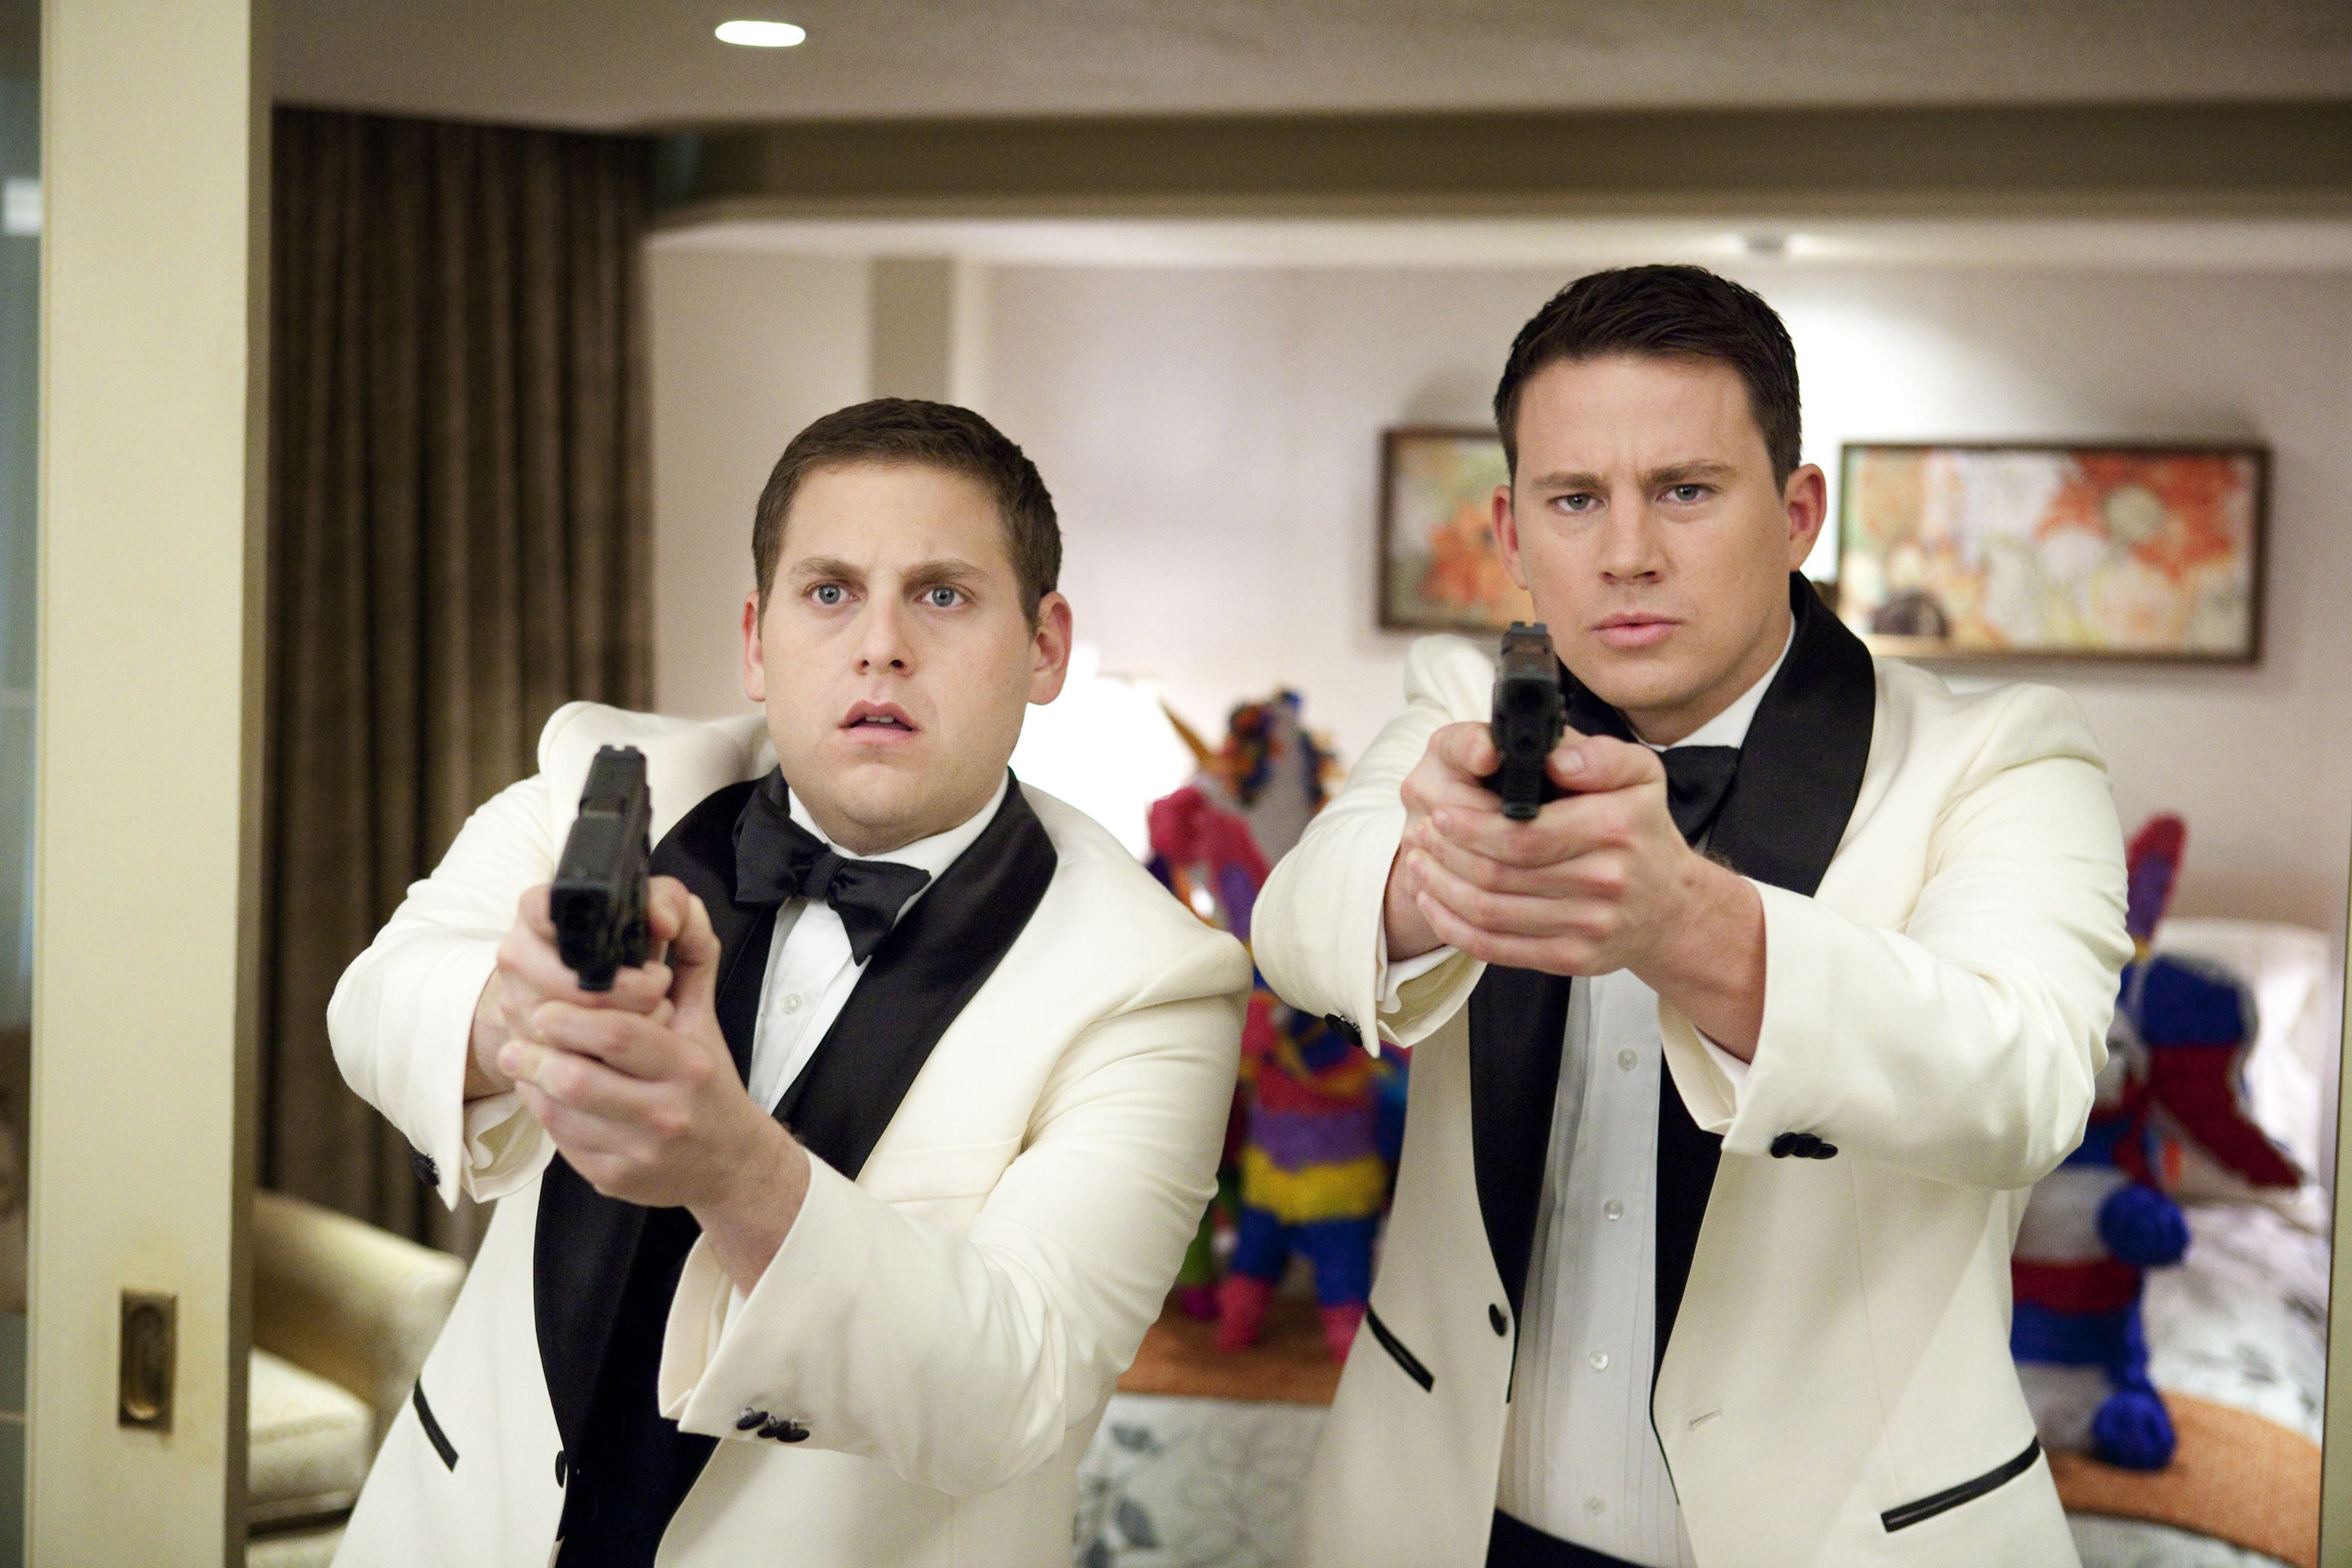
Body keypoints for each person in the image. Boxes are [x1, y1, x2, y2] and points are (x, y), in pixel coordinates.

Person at [1253, 266, 2129, 1568]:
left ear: (1798, 512)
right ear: (1511, 531)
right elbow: (1295, 919)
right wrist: (1431, 876)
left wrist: (1692, 928)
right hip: (1438, 1517)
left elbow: (2028, 1086)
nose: (1624, 553)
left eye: (1685, 490)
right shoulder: (1461, 694)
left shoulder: (2002, 755)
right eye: (1574, 499)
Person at [328, 399, 1250, 1566]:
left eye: (942, 594)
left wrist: (733, 1168)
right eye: (830, 592)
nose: (880, 646)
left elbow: (1014, 1385)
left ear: (1047, 646)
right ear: (758, 641)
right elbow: (373, 1001)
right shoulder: (598, 784)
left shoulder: (1158, 981)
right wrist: (521, 1014)